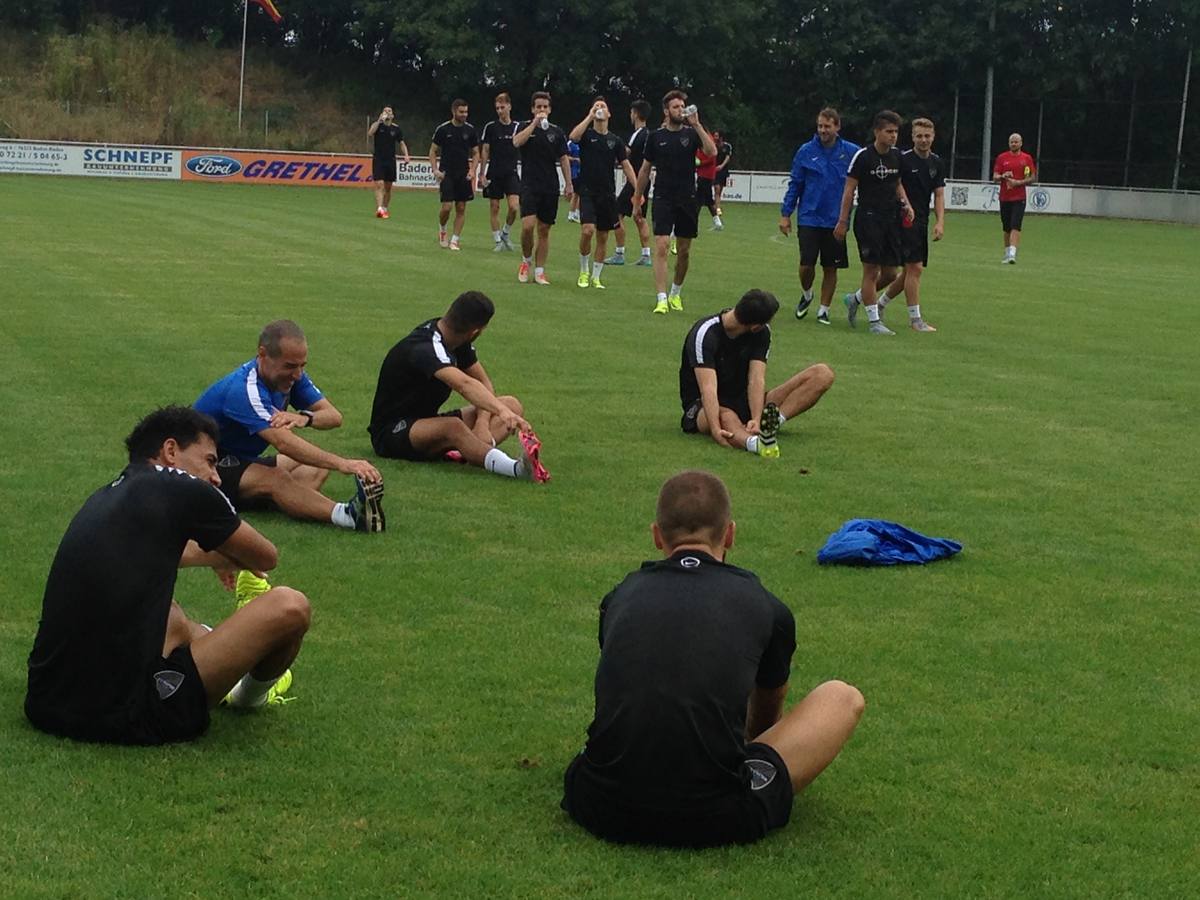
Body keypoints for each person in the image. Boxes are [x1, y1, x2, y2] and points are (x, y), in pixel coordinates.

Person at [561, 469, 865, 848]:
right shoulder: (767, 607)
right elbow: (767, 707)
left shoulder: (620, 596)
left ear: (657, 536)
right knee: (843, 696)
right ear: (731, 534)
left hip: (596, 801)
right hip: (717, 816)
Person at [24, 406, 312, 745]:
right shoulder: (183, 486)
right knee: (290, 606)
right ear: (171, 451)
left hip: (46, 702)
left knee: (171, 616)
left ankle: (216, 646)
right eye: (209, 461)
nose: (216, 477)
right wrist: (228, 555)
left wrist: (213, 558)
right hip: (129, 716)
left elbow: (145, 555)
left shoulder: (108, 496)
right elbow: (265, 555)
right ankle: (249, 696)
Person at [194, 319, 386, 532]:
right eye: (290, 366)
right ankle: (350, 516)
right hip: (204, 466)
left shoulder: (291, 377)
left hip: (241, 461)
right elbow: (283, 443)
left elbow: (333, 416)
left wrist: (305, 418)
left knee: (316, 465)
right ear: (263, 354)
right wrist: (344, 464)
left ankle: (284, 499)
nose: (297, 374)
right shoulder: (244, 390)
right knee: (277, 478)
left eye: (302, 365)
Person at [368, 291, 550, 483]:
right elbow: (464, 384)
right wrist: (501, 412)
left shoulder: (456, 340)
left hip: (428, 421)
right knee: (454, 427)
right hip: (391, 433)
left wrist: (483, 424)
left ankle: (473, 450)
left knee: (512, 404)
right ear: (475, 331)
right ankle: (516, 469)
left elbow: (483, 383)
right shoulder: (426, 347)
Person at [679, 289, 835, 459]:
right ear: (755, 326)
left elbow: (756, 379)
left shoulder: (762, 332)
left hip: (743, 400)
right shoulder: (705, 334)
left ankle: (771, 426)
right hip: (703, 406)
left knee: (822, 374)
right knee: (726, 415)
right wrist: (716, 429)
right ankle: (756, 444)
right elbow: (708, 388)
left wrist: (755, 417)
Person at [633, 90, 717, 314]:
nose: (680, 110)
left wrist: (698, 125)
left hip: (687, 198)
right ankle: (661, 298)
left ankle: (675, 293)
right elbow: (644, 169)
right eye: (675, 107)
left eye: (682, 106)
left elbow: (712, 151)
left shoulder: (691, 134)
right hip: (662, 197)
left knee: (684, 251)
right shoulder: (655, 137)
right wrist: (637, 198)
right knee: (661, 245)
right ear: (666, 111)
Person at [834, 110, 915, 336]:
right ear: (877, 132)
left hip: (891, 219)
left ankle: (855, 298)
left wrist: (906, 204)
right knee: (871, 270)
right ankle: (874, 322)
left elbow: (897, 183)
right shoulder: (863, 156)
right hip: (869, 218)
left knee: (890, 273)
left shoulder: (897, 156)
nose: (893, 136)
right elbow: (849, 190)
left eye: (896, 132)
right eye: (889, 131)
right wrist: (843, 221)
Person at [778, 108, 861, 324]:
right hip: (809, 216)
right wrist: (785, 214)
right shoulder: (805, 151)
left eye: (827, 126)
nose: (823, 130)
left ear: (837, 127)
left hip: (836, 219)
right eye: (820, 126)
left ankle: (824, 310)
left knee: (830, 267)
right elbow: (795, 183)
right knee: (806, 264)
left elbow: (869, 167)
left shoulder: (851, 152)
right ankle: (807, 294)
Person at [877, 117, 946, 332]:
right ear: (912, 137)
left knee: (909, 272)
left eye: (927, 136)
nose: (923, 140)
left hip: (921, 221)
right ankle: (915, 320)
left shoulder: (937, 163)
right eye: (919, 136)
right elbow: (896, 185)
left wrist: (940, 222)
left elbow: (939, 194)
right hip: (902, 220)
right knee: (914, 268)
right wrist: (905, 206)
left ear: (933, 137)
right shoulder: (903, 159)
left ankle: (868, 301)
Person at [568, 98, 639, 289]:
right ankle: (584, 271)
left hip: (607, 194)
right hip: (587, 191)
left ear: (609, 114)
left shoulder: (615, 141)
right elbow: (573, 137)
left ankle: (596, 276)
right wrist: (589, 115)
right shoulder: (586, 135)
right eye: (597, 106)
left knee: (603, 236)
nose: (600, 109)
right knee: (587, 230)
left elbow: (626, 166)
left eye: (603, 107)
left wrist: (638, 190)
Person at [512, 91, 574, 285]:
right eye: (538, 107)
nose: (542, 110)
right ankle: (526, 260)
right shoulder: (523, 127)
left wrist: (569, 184)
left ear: (550, 109)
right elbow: (516, 142)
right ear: (532, 109)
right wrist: (534, 124)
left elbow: (564, 158)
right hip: (530, 184)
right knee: (528, 226)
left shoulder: (557, 132)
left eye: (545, 107)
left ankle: (539, 271)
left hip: (550, 185)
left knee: (544, 229)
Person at [606, 99, 654, 267]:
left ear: (636, 114)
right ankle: (646, 255)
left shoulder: (638, 134)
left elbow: (625, 153)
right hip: (644, 180)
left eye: (632, 112)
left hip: (635, 181)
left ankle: (619, 253)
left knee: (616, 213)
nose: (630, 115)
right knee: (639, 216)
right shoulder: (649, 134)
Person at [429, 99, 480, 251]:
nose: (464, 115)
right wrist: (435, 169)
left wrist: (472, 170)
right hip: (447, 173)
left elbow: (476, 152)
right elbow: (432, 151)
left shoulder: (470, 130)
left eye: (466, 112)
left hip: (463, 174)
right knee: (446, 207)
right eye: (461, 112)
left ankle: (455, 240)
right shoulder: (443, 129)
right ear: (454, 112)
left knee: (461, 207)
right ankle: (443, 230)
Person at [480, 92, 521, 252]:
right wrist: (482, 173)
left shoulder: (517, 127)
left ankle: (505, 233)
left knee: (514, 207)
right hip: (494, 172)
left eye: (502, 107)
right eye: (497, 108)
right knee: (494, 207)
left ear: (509, 106)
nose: (499, 110)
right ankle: (497, 241)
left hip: (511, 173)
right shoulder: (490, 127)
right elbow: (485, 150)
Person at [992, 132, 1037, 264]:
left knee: (1015, 225)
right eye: (1012, 142)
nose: (1014, 144)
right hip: (1005, 197)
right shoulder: (1002, 158)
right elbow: (995, 176)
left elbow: (1032, 177)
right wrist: (1002, 176)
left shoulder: (1026, 158)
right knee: (1006, 227)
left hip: (1019, 197)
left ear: (1021, 143)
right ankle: (1007, 254)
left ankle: (1012, 253)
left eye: (1016, 142)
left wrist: (1018, 182)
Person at [368, 106, 411, 219]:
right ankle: (379, 209)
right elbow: (370, 133)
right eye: (385, 111)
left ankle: (385, 208)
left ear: (392, 115)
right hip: (378, 159)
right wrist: (379, 120)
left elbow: (401, 143)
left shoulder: (396, 129)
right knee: (379, 184)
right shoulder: (378, 126)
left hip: (390, 160)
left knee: (388, 187)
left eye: (389, 111)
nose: (387, 113)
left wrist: (406, 155)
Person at [695, 139, 723, 230]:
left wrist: (700, 163)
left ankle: (694, 223)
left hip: (706, 176)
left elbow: (711, 159)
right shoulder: (699, 148)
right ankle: (717, 222)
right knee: (708, 200)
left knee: (698, 200)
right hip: (704, 175)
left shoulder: (708, 146)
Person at [713, 131, 733, 215]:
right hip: (715, 170)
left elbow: (728, 157)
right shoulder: (713, 145)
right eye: (714, 136)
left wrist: (722, 166)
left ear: (721, 137)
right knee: (717, 188)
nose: (715, 137)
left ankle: (716, 205)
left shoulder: (727, 146)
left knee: (720, 190)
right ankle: (718, 209)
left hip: (723, 170)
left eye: (716, 136)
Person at [566, 139, 582, 222]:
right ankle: (575, 214)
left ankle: (573, 214)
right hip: (574, 172)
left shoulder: (583, 142)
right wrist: (575, 159)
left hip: (582, 172)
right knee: (579, 193)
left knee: (578, 194)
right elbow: (565, 156)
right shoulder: (570, 143)